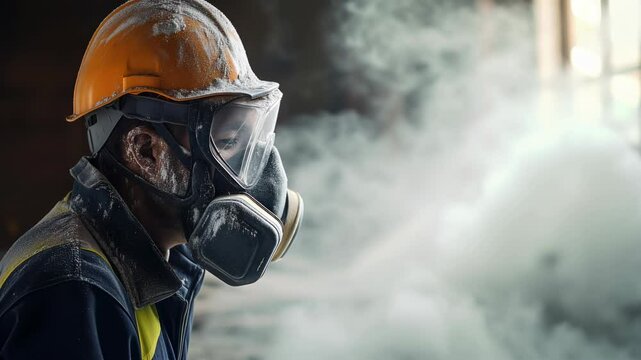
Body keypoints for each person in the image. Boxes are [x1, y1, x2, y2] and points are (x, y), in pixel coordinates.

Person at [0, 0, 303, 359]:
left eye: (248, 140)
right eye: (227, 141)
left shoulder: (148, 266)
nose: (249, 170)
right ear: (145, 150)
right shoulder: (74, 290)